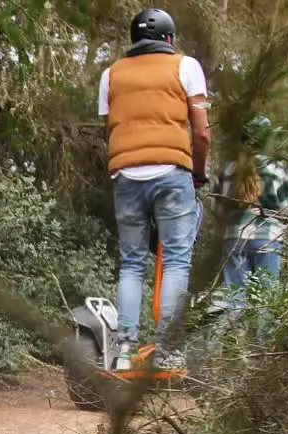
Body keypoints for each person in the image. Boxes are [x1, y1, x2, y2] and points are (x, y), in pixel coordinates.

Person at [97, 8, 211, 371]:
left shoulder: (110, 74)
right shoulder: (186, 66)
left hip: (126, 175)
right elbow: (203, 131)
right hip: (172, 171)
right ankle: (167, 350)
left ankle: (124, 352)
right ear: (169, 39)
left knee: (131, 263)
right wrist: (198, 172)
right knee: (176, 258)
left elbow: (110, 127)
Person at [214, 115, 288, 314]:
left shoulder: (229, 170)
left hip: (234, 238)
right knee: (266, 302)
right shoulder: (278, 170)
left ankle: (236, 342)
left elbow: (218, 210)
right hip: (267, 239)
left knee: (235, 301)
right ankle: (263, 345)